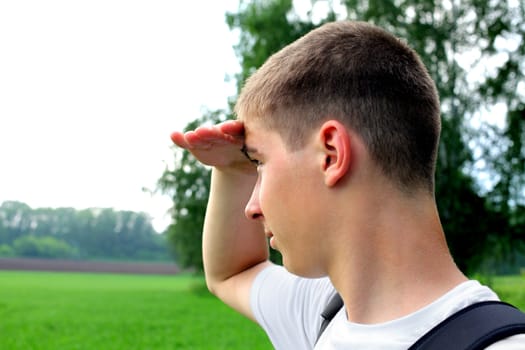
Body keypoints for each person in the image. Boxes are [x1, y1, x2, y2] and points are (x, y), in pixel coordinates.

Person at [170, 21, 525, 349]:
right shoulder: (326, 311)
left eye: (260, 163)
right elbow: (231, 272)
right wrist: (234, 169)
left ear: (331, 154)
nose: (252, 207)